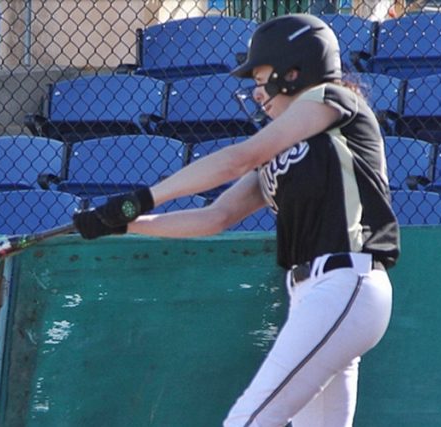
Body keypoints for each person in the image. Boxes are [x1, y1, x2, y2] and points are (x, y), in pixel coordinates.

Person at [71, 13, 399, 427]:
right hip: (313, 296)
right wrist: (123, 223)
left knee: (249, 420)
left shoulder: (332, 98)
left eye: (262, 80)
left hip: (344, 283)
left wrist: (142, 198)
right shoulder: (282, 155)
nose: (258, 94)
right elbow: (217, 215)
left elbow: (238, 158)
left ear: (294, 72)